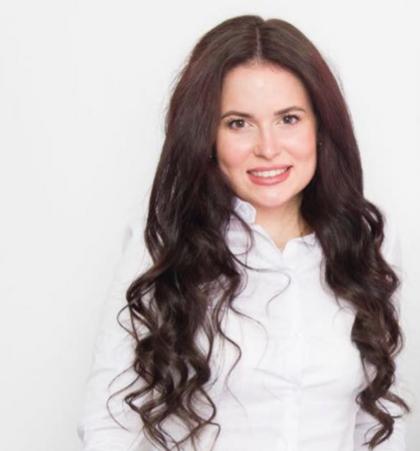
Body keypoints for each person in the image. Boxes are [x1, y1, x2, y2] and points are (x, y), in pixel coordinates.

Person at [77, 14, 411, 451]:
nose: (268, 147)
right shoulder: (162, 244)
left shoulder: (367, 244)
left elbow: (382, 420)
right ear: (207, 136)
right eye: (239, 123)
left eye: (289, 119)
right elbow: (109, 423)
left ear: (321, 128)